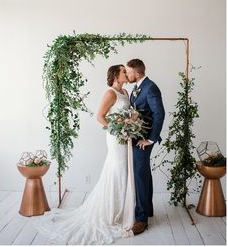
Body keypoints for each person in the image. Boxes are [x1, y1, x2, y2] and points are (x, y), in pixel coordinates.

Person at [34, 64, 135, 245]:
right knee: (116, 170)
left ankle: (122, 209)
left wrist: (129, 126)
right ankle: (111, 212)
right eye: (123, 72)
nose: (127, 74)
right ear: (114, 75)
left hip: (126, 137)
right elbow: (100, 116)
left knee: (124, 171)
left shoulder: (126, 93)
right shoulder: (110, 93)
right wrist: (117, 130)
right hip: (116, 137)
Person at [126, 59, 165, 235]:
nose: (127, 75)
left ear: (137, 73)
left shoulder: (150, 87)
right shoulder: (136, 88)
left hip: (144, 139)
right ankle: (147, 210)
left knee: (140, 175)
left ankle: (141, 219)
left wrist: (151, 139)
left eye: (129, 72)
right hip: (136, 137)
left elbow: (159, 113)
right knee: (143, 173)